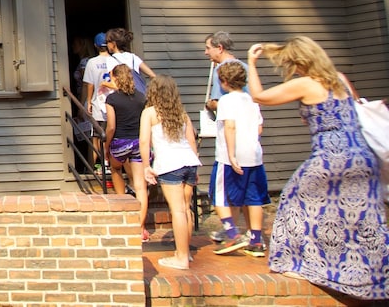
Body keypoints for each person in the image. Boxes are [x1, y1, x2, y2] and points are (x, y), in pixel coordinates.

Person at [247, 36, 388, 300]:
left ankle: (300, 265)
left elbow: (259, 96)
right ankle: (372, 279)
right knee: (361, 218)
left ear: (300, 61)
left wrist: (252, 63)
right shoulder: (340, 79)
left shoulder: (306, 83)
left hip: (332, 157)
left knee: (293, 200)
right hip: (363, 157)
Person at [208, 61, 270, 256]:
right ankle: (256, 241)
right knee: (253, 198)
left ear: (224, 81)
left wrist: (232, 155)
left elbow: (230, 126)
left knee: (219, 196)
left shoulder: (226, 101)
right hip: (254, 156)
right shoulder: (253, 100)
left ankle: (233, 234)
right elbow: (259, 128)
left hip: (229, 157)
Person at [141, 75, 202, 270]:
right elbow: (191, 140)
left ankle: (181, 257)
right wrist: (195, 166)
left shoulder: (149, 113)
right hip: (189, 162)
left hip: (169, 164)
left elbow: (144, 141)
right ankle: (184, 252)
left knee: (177, 211)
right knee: (186, 209)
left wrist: (146, 166)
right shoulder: (181, 112)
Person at [105, 64, 150, 241]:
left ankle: (122, 205)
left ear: (115, 78)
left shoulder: (112, 99)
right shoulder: (141, 97)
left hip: (120, 142)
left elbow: (111, 127)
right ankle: (140, 228)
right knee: (140, 186)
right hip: (139, 143)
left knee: (116, 170)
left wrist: (106, 146)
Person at [81, 32, 112, 168]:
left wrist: (88, 101)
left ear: (95, 46)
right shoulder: (115, 60)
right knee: (111, 136)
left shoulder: (91, 62)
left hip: (98, 104)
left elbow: (89, 84)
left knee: (96, 138)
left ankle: (95, 167)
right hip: (113, 103)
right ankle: (108, 165)